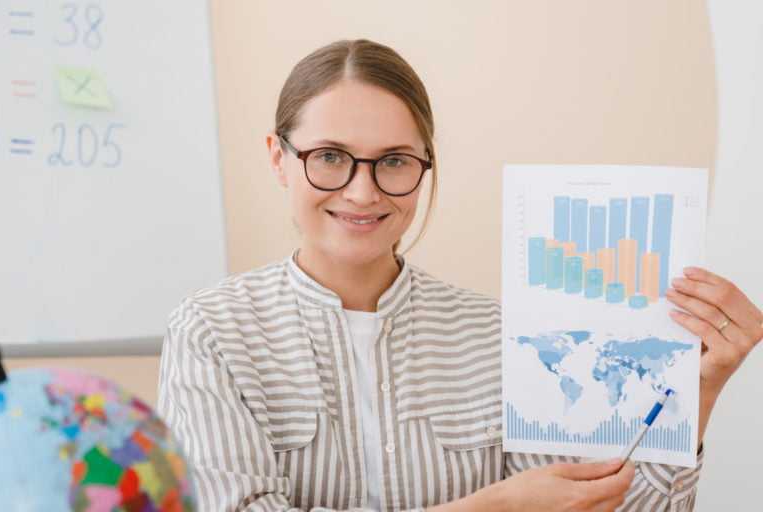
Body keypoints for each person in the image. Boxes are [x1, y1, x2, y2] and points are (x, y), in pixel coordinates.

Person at [157, 39, 763, 512]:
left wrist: (695, 390)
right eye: (330, 157)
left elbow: (596, 504)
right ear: (277, 158)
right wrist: (494, 507)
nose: (362, 192)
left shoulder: (500, 331)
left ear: (425, 165)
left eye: (394, 161)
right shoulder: (212, 331)